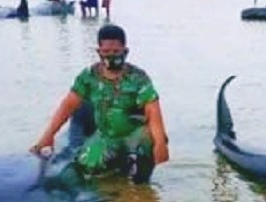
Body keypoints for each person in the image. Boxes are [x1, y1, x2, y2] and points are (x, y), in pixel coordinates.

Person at [31, 24, 169, 185]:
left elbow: (153, 112)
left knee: (146, 152)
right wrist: (48, 136)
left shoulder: (138, 78)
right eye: (106, 52)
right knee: (82, 170)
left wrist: (160, 144)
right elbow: (67, 107)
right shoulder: (88, 76)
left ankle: (140, 185)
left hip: (134, 134)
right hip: (106, 136)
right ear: (99, 52)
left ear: (125, 51)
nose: (111, 56)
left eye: (116, 52)